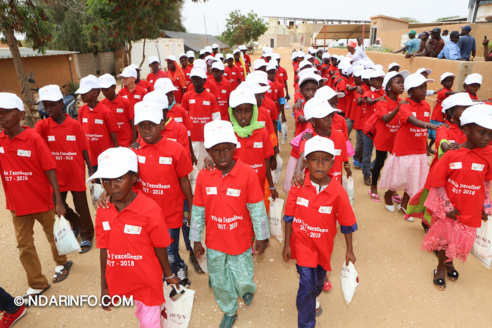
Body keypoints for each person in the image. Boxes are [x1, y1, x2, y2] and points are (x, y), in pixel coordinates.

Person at [190, 120, 270, 328]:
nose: (223, 155)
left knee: (243, 276)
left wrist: (262, 236)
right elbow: (198, 210)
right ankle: (229, 309)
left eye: (227, 149)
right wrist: (196, 239)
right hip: (215, 243)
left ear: (235, 147)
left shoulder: (247, 174)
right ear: (209, 151)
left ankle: (246, 289)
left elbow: (257, 208)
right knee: (220, 280)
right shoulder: (203, 177)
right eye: (216, 151)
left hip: (240, 242)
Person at [92, 147, 180, 327]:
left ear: (134, 178)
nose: (112, 186)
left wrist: (169, 274)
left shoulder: (150, 210)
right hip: (122, 279)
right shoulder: (103, 210)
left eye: (119, 178)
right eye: (106, 180)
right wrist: (105, 287)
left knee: (149, 322)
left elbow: (159, 247)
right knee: (143, 315)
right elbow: (104, 249)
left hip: (147, 282)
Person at [0, 93, 72, 299]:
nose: (1, 116)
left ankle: (61, 263)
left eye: (6, 112)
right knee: (24, 245)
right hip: (17, 206)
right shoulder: (1, 140)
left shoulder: (33, 138)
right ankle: (37, 282)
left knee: (54, 236)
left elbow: (50, 168)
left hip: (41, 200)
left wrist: (58, 201)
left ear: (21, 114)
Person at [283, 135, 357, 328]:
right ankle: (306, 323)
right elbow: (289, 216)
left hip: (323, 248)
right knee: (307, 283)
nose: (320, 164)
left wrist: (349, 249)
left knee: (315, 284)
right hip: (302, 245)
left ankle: (306, 300)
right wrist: (286, 245)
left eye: (325, 160)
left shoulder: (337, 191)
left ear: (332, 163)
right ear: (306, 162)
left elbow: (347, 222)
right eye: (314, 159)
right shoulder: (298, 185)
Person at [421, 104, 492, 290]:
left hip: (470, 211)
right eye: (482, 132)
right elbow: (438, 184)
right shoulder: (451, 155)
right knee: (445, 241)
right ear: (466, 130)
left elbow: (486, 182)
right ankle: (440, 268)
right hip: (450, 211)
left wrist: (485, 206)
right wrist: (447, 207)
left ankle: (450, 263)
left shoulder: (488, 156)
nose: (487, 138)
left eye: (491, 134)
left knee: (459, 241)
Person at [35, 85, 95, 253]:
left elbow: (84, 147)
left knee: (81, 205)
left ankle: (87, 234)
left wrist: (91, 168)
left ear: (62, 104)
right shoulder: (43, 126)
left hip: (75, 173)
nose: (48, 109)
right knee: (56, 203)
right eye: (45, 106)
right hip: (55, 176)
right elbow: (32, 140)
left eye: (52, 105)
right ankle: (75, 222)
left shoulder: (74, 125)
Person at [405, 93, 475, 229]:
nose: (468, 111)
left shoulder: (468, 130)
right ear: (451, 112)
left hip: (459, 174)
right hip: (441, 173)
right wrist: (446, 145)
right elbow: (441, 140)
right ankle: (427, 222)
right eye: (464, 108)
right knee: (436, 198)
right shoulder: (444, 128)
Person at [379, 74, 439, 217]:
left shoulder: (425, 105)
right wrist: (430, 125)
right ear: (410, 91)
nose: (424, 91)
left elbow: (423, 131)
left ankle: (404, 204)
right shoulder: (404, 105)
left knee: (414, 179)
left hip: (419, 150)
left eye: (425, 87)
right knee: (399, 177)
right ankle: (388, 195)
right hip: (404, 149)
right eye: (420, 88)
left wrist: (425, 149)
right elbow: (412, 120)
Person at [369, 71, 409, 202]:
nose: (402, 85)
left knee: (395, 166)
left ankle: (392, 189)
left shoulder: (402, 102)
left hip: (396, 140)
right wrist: (398, 108)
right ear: (389, 87)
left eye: (402, 83)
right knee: (379, 163)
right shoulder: (382, 102)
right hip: (383, 138)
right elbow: (385, 119)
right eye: (398, 83)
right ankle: (373, 187)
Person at [181, 67, 221, 190]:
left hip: (206, 140)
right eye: (193, 79)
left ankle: (208, 187)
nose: (195, 81)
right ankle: (195, 191)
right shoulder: (187, 96)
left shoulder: (211, 97)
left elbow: (216, 118)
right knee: (192, 167)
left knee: (206, 165)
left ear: (204, 80)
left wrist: (214, 139)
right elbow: (183, 117)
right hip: (192, 138)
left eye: (198, 79)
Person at [77, 75, 119, 173]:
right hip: (90, 156)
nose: (81, 96)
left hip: (105, 155)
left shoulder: (105, 111)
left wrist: (116, 150)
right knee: (94, 184)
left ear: (95, 93)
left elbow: (113, 132)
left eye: (84, 93)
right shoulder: (82, 111)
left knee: (108, 179)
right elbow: (81, 132)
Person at [362, 69, 386, 186]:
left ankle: (373, 167)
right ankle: (366, 174)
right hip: (369, 129)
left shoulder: (384, 92)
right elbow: (369, 101)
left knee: (383, 154)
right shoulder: (367, 92)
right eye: (377, 80)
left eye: (381, 80)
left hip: (381, 129)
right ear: (371, 81)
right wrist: (378, 99)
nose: (380, 82)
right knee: (367, 152)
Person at [99, 74, 136, 147]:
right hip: (110, 143)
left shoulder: (125, 102)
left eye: (107, 90)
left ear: (114, 87)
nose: (105, 93)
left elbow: (132, 121)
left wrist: (134, 138)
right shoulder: (101, 105)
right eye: (102, 90)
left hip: (126, 141)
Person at [428, 73, 456, 154]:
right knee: (437, 135)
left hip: (444, 117)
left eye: (451, 81)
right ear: (442, 83)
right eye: (447, 81)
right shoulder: (442, 91)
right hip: (438, 117)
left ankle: (429, 147)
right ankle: (436, 149)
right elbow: (447, 93)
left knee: (437, 135)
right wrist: (458, 92)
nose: (450, 83)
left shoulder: (450, 92)